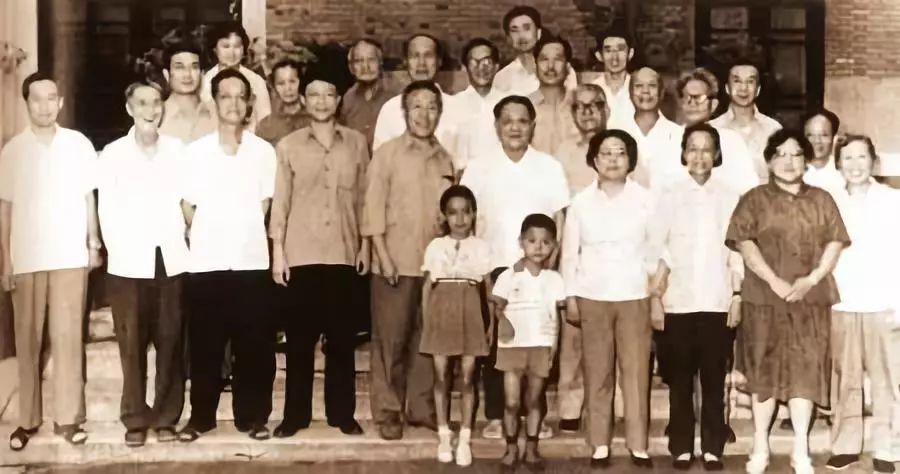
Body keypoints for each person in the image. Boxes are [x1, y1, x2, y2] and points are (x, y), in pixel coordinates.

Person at [726, 129, 849, 474]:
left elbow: (834, 242)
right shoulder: (753, 199)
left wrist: (811, 279)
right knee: (763, 372)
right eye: (780, 154)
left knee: (805, 372)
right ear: (768, 161)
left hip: (810, 300)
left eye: (796, 154)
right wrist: (774, 280)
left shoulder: (822, 199)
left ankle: (800, 450)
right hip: (764, 299)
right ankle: (760, 447)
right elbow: (745, 244)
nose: (789, 161)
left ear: (806, 160)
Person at [460, 95, 569, 441]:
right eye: (507, 121)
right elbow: (468, 218)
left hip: (538, 266)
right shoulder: (478, 167)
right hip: (494, 268)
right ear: (496, 126)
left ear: (532, 126)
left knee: (538, 339)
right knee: (500, 343)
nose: (515, 128)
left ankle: (535, 414)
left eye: (522, 121)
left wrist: (551, 263)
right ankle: (497, 414)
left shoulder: (549, 166)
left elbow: (560, 218)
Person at [1, 72, 101, 450]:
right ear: (26, 103)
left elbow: (89, 198)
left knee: (68, 339)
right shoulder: (13, 151)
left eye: (51, 98)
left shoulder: (78, 145)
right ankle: (27, 421)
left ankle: (68, 419)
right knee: (27, 342)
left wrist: (93, 242)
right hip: (27, 257)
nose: (45, 106)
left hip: (69, 255)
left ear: (60, 102)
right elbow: (5, 210)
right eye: (37, 99)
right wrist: (6, 261)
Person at [268, 66, 369, 438]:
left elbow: (365, 199)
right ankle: (295, 416)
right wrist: (278, 253)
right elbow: (281, 203)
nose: (321, 102)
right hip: (301, 255)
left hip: (344, 252)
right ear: (303, 100)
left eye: (328, 95)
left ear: (338, 100)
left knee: (341, 341)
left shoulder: (357, 144)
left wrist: (366, 245)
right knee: (299, 343)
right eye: (314, 95)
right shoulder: (289, 146)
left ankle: (342, 414)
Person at [178, 68, 277, 442]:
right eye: (225, 96)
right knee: (205, 345)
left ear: (249, 103)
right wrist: (210, 232)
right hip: (207, 263)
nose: (233, 103)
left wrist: (240, 230)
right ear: (213, 102)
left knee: (254, 345)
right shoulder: (195, 153)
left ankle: (253, 418)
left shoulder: (263, 152)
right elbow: (187, 206)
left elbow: (265, 204)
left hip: (251, 261)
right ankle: (201, 418)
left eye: (240, 96)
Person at [96, 80, 190, 447]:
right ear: (129, 109)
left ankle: (166, 417)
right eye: (142, 104)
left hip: (171, 260)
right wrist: (118, 252)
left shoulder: (178, 151)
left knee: (170, 341)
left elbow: (188, 202)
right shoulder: (113, 154)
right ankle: (134, 418)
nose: (150, 111)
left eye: (156, 103)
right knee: (131, 344)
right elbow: (106, 210)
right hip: (128, 263)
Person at [362, 81, 454, 440]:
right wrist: (382, 256)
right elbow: (372, 208)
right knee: (391, 341)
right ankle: (388, 411)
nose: (424, 114)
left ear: (439, 113)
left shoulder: (445, 159)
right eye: (417, 106)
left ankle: (420, 407)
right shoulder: (387, 155)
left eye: (431, 107)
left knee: (427, 340)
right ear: (404, 111)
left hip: (433, 267)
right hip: (394, 263)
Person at [561, 128, 658, 469]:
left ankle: (638, 444)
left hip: (634, 294)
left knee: (636, 373)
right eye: (606, 153)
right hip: (592, 295)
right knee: (597, 372)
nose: (613, 160)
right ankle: (599, 443)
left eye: (620, 153)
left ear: (631, 160)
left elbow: (656, 249)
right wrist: (571, 295)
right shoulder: (580, 203)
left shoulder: (646, 200)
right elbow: (570, 253)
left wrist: (653, 292)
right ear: (594, 160)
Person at [648, 123, 742, 470]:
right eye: (693, 148)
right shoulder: (669, 195)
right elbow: (657, 249)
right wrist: (655, 297)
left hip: (717, 300)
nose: (700, 156)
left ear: (716, 154)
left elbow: (737, 251)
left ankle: (713, 446)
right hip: (679, 301)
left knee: (714, 379)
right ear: (683, 153)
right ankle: (682, 446)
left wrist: (737, 295)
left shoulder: (730, 196)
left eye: (706, 149)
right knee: (680, 379)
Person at [826, 135, 899, 474]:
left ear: (873, 162)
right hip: (842, 301)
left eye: (862, 157)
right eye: (848, 158)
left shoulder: (892, 200)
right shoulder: (829, 200)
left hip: (883, 302)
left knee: (888, 380)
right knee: (845, 378)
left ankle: (887, 447)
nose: (855, 165)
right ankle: (845, 446)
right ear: (838, 163)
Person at [419, 185, 492, 467]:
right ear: (444, 216)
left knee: (468, 378)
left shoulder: (481, 247)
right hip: (442, 312)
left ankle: (464, 438)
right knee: (441, 377)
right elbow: (427, 288)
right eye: (453, 213)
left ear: (474, 214)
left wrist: (490, 325)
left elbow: (488, 290)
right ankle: (443, 435)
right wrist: (428, 321)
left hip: (470, 311)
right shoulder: (436, 247)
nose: (460, 219)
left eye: (465, 212)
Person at [551, 83, 609, 434]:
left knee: (609, 334)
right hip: (575, 250)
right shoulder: (563, 152)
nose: (587, 112)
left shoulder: (618, 147)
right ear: (572, 113)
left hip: (612, 253)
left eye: (595, 105)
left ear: (606, 110)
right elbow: (557, 207)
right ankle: (570, 407)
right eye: (580, 106)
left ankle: (606, 404)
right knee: (572, 334)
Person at [491, 213, 566, 469]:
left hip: (540, 347)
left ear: (554, 245)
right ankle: (511, 447)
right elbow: (497, 308)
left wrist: (554, 347)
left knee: (534, 400)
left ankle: (532, 448)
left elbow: (557, 318)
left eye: (545, 242)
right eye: (532, 241)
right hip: (511, 348)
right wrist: (502, 329)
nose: (538, 247)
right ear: (521, 242)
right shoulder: (508, 276)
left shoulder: (554, 280)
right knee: (511, 402)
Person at [372, 34, 459, 153]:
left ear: (439, 61)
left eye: (428, 55)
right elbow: (380, 159)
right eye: (415, 56)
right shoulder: (390, 109)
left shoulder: (456, 108)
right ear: (405, 61)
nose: (421, 63)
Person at [677, 68, 759, 194]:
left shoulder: (731, 141)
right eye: (687, 98)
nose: (693, 104)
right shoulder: (669, 140)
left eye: (699, 98)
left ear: (714, 105)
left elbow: (748, 188)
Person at [709, 60, 782, 183]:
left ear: (758, 90)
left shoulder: (773, 129)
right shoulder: (712, 129)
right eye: (737, 81)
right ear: (727, 88)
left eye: (750, 81)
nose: (743, 88)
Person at [613, 66, 682, 189]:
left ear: (661, 93)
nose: (645, 91)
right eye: (639, 86)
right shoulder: (616, 132)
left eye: (652, 86)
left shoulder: (678, 134)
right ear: (630, 93)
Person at [200, 22, 271, 131]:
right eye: (226, 46)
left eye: (237, 46)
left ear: (244, 49)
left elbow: (265, 120)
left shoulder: (256, 81)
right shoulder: (205, 82)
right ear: (215, 49)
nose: (232, 53)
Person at [493, 6, 577, 96]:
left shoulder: (560, 70)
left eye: (526, 28)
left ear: (538, 33)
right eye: (514, 30)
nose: (521, 36)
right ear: (508, 38)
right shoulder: (502, 77)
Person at [452, 38, 504, 172]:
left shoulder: (508, 103)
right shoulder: (453, 105)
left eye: (487, 62)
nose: (481, 68)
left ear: (496, 67)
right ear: (465, 68)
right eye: (474, 62)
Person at [527, 34, 580, 156]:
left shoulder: (580, 104)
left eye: (558, 59)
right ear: (535, 66)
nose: (550, 66)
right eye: (544, 59)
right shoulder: (525, 107)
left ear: (568, 67)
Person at [340, 39, 396, 151]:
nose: (365, 67)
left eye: (371, 60)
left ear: (380, 63)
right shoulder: (348, 98)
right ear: (351, 68)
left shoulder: (396, 93)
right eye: (359, 61)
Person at [159, 41, 217, 143]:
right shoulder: (156, 115)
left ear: (202, 73)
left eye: (194, 67)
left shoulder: (215, 112)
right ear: (166, 74)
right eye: (179, 67)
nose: (187, 74)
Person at [590, 25, 636, 128]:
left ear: (630, 54)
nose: (614, 57)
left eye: (620, 49)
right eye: (608, 50)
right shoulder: (592, 91)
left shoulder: (639, 89)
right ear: (599, 56)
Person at [256, 59, 310, 146]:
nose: (288, 88)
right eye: (281, 83)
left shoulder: (315, 118)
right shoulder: (265, 125)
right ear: (274, 86)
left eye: (292, 81)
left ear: (301, 82)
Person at [802, 108, 844, 192]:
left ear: (834, 137)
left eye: (824, 135)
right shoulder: (794, 170)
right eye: (810, 135)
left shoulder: (844, 171)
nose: (817, 141)